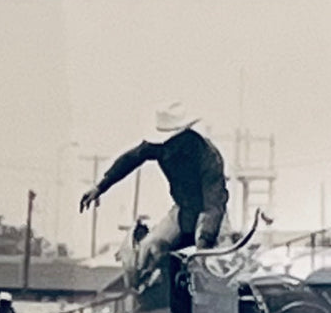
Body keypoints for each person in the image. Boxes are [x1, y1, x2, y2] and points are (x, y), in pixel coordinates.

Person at [79, 102, 230, 296]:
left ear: (183, 136)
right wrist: (100, 186)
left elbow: (213, 207)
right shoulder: (160, 147)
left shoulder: (208, 156)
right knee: (148, 251)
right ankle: (150, 299)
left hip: (211, 214)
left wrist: (203, 244)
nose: (167, 150)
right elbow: (131, 159)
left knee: (209, 269)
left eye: (171, 143)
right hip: (181, 210)